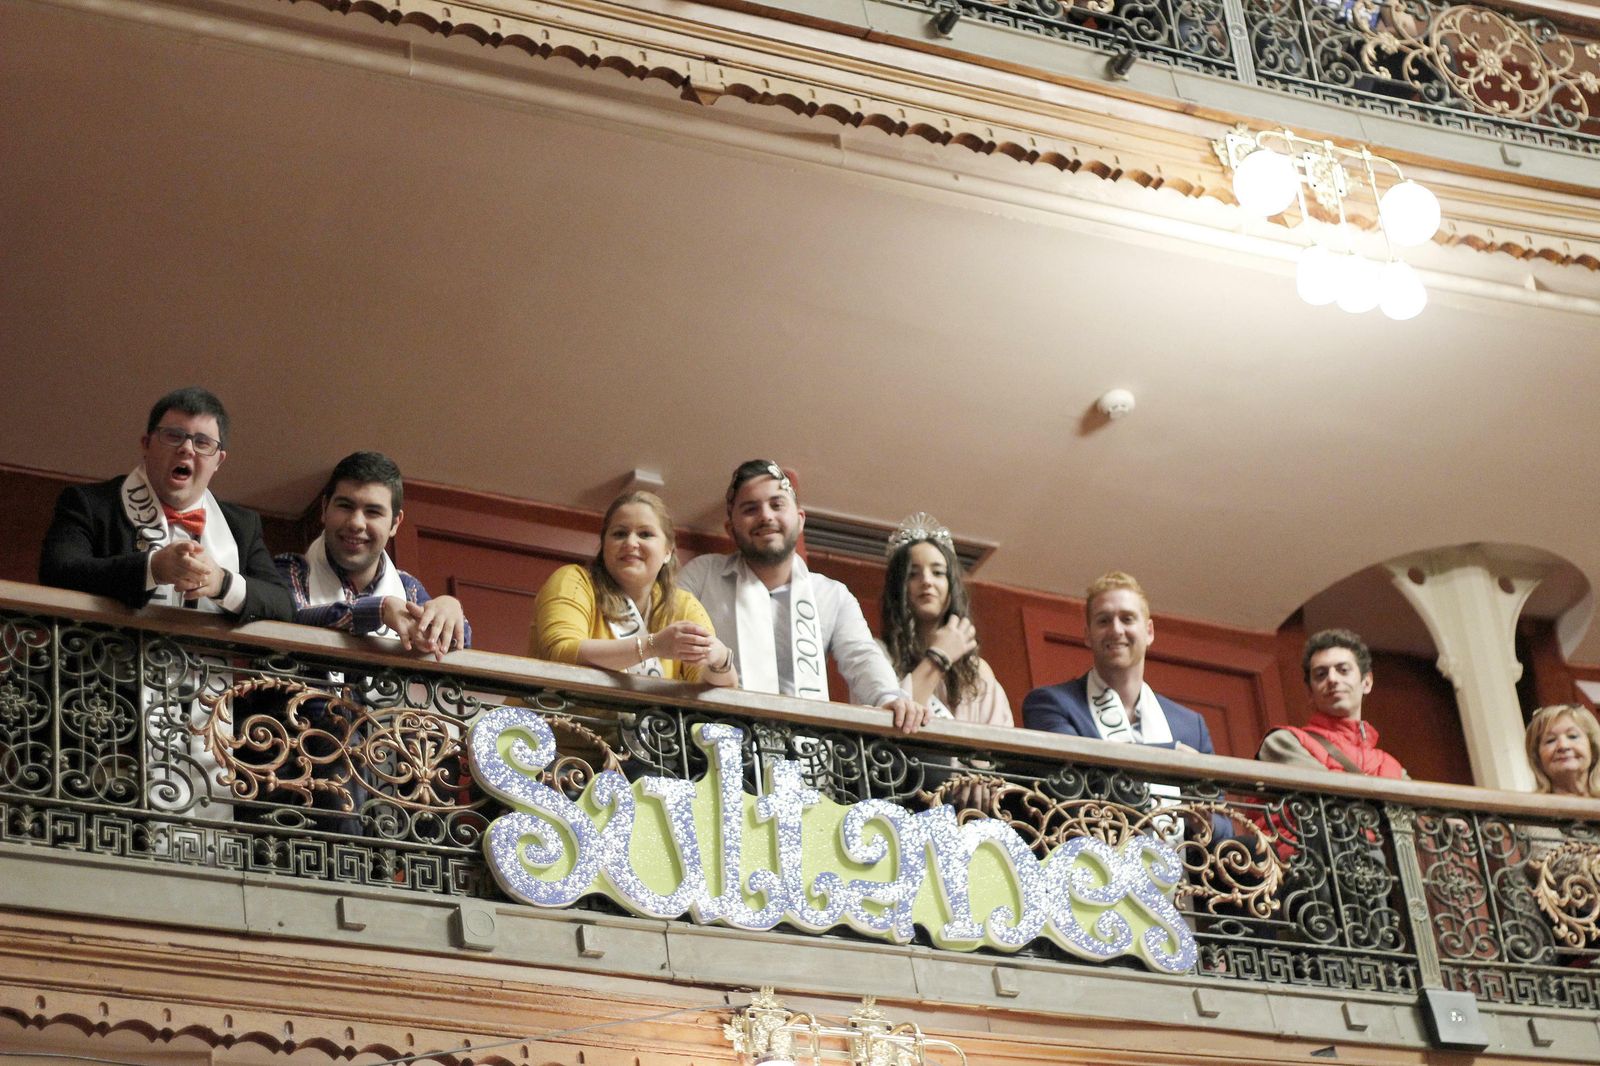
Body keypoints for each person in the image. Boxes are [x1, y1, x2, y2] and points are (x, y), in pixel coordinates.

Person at [677, 460, 927, 733]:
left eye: (777, 504)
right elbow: (669, 633)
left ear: (800, 519)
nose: (765, 516)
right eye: (750, 509)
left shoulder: (832, 595)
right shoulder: (703, 575)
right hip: (716, 748)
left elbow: (862, 657)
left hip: (807, 753)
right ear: (730, 528)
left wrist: (889, 697)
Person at [39, 386, 292, 624]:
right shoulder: (89, 504)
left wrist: (221, 583)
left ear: (218, 461)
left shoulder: (242, 526)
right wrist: (152, 569)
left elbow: (285, 606)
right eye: (173, 436)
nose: (186, 449)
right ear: (146, 445)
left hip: (206, 669)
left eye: (202, 443)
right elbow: (56, 572)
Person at [530, 490, 737, 685]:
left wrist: (720, 659)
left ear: (668, 552)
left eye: (645, 534)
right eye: (619, 533)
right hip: (558, 720)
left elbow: (710, 689)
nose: (630, 542)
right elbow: (561, 653)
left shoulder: (681, 604)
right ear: (604, 547)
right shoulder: (575, 581)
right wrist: (652, 646)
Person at [276, 451, 470, 657]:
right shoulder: (290, 569)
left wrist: (450, 610)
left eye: (373, 512)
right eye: (345, 506)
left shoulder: (407, 587)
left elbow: (452, 643)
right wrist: (380, 610)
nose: (356, 523)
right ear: (324, 509)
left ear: (395, 524)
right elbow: (293, 618)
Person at [1023, 571, 1213, 752]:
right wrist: (1172, 756)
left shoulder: (1191, 727)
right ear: (1088, 635)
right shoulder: (1051, 704)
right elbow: (1074, 771)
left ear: (1149, 632)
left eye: (1127, 619)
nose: (1116, 630)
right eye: (1103, 621)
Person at [880, 512, 1011, 727]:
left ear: (952, 586)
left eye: (938, 573)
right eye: (913, 574)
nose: (926, 581)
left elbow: (997, 748)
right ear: (898, 588)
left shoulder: (977, 670)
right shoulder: (880, 656)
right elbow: (888, 727)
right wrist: (940, 657)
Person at [1256, 628, 1406, 778]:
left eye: (1343, 670)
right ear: (1310, 692)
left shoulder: (1393, 768)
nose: (1332, 679)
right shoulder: (1283, 743)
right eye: (1321, 674)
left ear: (1367, 682)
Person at [1525, 703, 1600, 797]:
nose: (1563, 746)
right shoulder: (1530, 808)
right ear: (1537, 758)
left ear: (1593, 750)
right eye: (1550, 740)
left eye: (1572, 736)